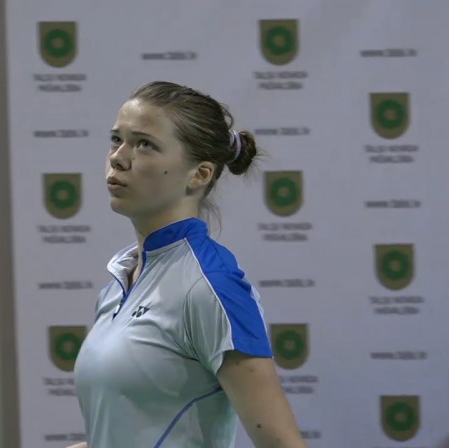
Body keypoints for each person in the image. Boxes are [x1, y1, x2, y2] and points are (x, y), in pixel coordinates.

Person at [67, 81, 306, 448]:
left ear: (200, 174)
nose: (119, 157)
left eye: (145, 144)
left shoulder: (212, 286)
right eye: (117, 140)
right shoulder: (119, 283)